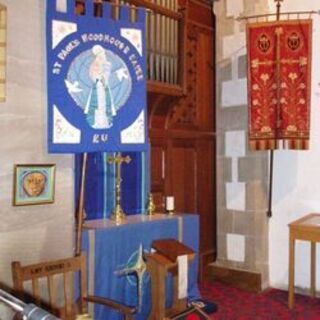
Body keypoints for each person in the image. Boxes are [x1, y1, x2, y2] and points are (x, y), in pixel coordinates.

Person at [84, 45, 116, 129]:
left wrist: (104, 75)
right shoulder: (95, 63)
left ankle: (106, 122)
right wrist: (98, 76)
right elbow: (92, 73)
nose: (102, 55)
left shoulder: (106, 63)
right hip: (98, 85)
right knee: (96, 103)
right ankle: (95, 122)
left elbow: (107, 73)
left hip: (104, 85)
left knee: (105, 103)